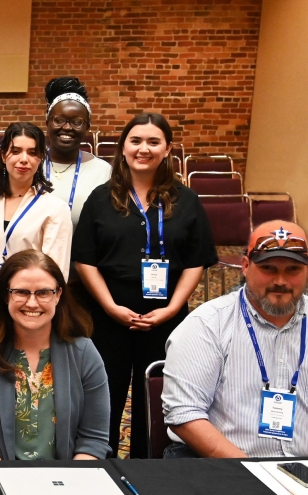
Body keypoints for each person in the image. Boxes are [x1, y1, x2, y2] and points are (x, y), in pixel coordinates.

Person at [162, 222, 308, 458]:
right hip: (224, 467)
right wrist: (252, 474)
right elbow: (184, 412)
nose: (280, 281)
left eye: (292, 270)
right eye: (268, 268)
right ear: (245, 266)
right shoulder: (206, 325)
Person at [72, 113, 217, 459]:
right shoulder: (100, 198)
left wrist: (169, 309)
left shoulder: (187, 200)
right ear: (123, 147)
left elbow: (196, 261)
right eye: (136, 141)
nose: (144, 149)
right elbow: (84, 260)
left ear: (167, 149)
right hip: (108, 317)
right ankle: (98, 467)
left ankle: (150, 467)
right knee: (103, 396)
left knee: (157, 398)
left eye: (153, 142)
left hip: (166, 317)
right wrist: (109, 306)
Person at [0, 249, 109, 460]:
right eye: (21, 292)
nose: (31, 303)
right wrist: (9, 482)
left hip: (67, 478)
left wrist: (68, 486)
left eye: (43, 292)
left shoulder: (84, 353)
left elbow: (93, 440)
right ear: (5, 295)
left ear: (58, 296)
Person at [0, 123, 72, 318]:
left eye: (32, 152)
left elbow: (55, 271)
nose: (24, 159)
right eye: (16, 151)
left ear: (40, 158)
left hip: (32, 309)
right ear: (4, 155)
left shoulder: (55, 209)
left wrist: (31, 308)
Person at [42, 77, 112, 225]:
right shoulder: (30, 165)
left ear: (87, 127)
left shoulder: (103, 171)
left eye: (77, 122)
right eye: (59, 120)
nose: (67, 127)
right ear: (47, 121)